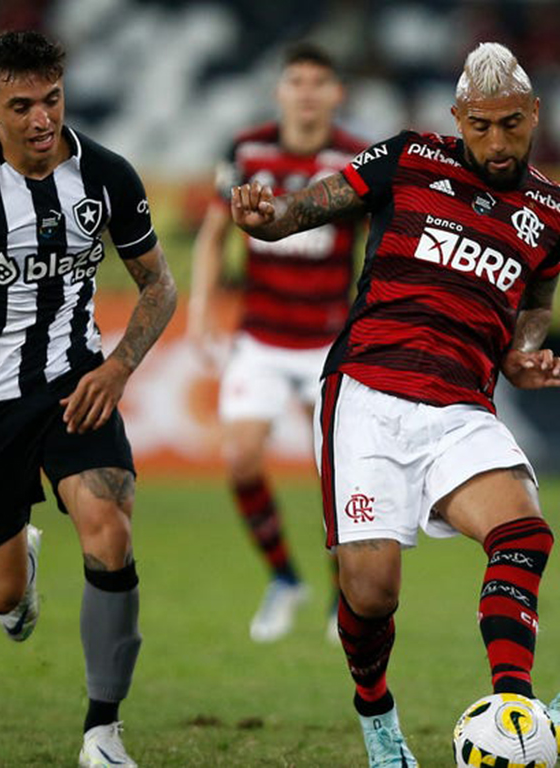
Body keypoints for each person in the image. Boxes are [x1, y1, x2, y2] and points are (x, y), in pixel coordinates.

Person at [232, 42, 560, 766]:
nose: (497, 142)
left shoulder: (553, 210)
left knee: (524, 533)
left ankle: (518, 709)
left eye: (512, 124)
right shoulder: (409, 158)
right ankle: (379, 720)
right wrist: (268, 217)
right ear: (457, 118)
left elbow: (534, 305)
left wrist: (523, 351)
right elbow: (304, 209)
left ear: (535, 114)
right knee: (372, 593)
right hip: (369, 392)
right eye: (481, 126)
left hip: (460, 405)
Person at [0, 31, 176, 767]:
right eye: (20, 105)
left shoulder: (108, 176)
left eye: (50, 99)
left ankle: (103, 732)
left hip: (73, 385)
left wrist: (117, 368)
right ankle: (17, 572)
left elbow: (159, 285)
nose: (40, 119)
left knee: (109, 532)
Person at [188, 43, 366, 643]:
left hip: (328, 340)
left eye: (320, 80)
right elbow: (214, 234)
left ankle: (340, 596)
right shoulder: (247, 151)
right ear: (280, 90)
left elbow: (378, 241)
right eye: (297, 80)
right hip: (261, 337)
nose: (308, 91)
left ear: (337, 93)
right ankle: (285, 579)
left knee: (338, 479)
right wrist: (200, 309)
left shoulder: (354, 158)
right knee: (239, 458)